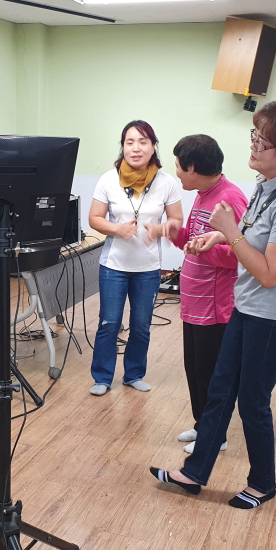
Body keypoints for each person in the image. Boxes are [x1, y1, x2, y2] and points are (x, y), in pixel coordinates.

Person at [150, 98, 276, 509]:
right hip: (247, 307)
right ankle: (194, 472)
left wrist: (229, 230)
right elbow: (250, 238)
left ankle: (263, 484)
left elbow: (270, 272)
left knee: (253, 402)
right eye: (255, 135)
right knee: (220, 390)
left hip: (273, 316)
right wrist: (219, 235)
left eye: (263, 141)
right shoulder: (267, 185)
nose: (254, 145)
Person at [88, 120, 183, 395]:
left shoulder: (167, 183)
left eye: (143, 142)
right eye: (130, 142)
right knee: (109, 323)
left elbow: (177, 221)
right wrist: (117, 229)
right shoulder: (108, 179)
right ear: (123, 147)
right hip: (113, 267)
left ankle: (134, 374)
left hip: (149, 268)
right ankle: (102, 377)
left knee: (141, 325)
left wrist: (159, 229)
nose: (136, 148)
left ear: (153, 147)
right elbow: (94, 218)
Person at [166, 135, 247, 454]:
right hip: (194, 303)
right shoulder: (203, 194)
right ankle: (203, 425)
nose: (176, 173)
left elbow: (241, 254)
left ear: (192, 168)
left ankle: (216, 436)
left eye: (178, 166)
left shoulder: (230, 198)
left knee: (212, 375)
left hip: (215, 308)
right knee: (195, 370)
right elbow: (197, 240)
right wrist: (178, 234)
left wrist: (202, 249)